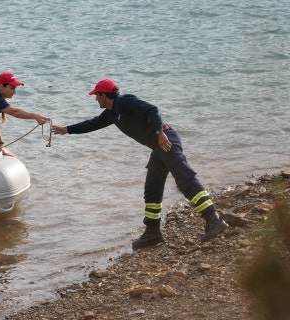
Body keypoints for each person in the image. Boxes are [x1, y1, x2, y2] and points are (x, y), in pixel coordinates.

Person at [51, 79, 228, 249]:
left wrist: (159, 133)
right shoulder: (111, 114)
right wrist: (67, 130)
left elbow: (152, 110)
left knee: (184, 177)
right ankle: (152, 233)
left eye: (96, 95)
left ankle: (213, 219)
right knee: (152, 187)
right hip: (157, 147)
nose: (95, 99)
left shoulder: (125, 101)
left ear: (104, 95)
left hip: (166, 140)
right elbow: (92, 124)